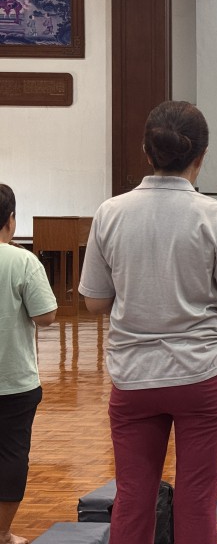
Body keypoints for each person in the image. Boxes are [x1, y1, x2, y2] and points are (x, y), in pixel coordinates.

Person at [79, 100, 217, 544]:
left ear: (147, 150)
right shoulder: (215, 215)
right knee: (197, 499)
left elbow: (94, 302)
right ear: (202, 155)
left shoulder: (110, 212)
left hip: (133, 375)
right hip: (202, 374)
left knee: (133, 496)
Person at [0, 184, 57, 544]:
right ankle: (2, 532)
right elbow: (46, 316)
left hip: (15, 382)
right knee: (11, 454)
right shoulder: (22, 261)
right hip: (13, 380)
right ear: (10, 220)